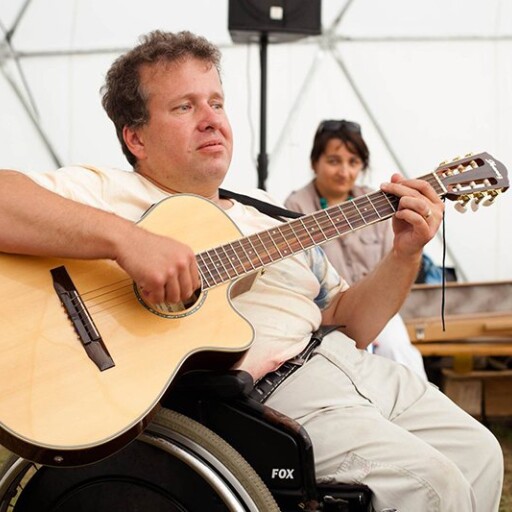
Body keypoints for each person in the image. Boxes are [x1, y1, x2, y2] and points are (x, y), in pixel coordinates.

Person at [0, 31, 503, 511]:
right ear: (136, 138)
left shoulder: (270, 215)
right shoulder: (109, 192)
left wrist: (405, 254)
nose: (210, 120)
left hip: (353, 367)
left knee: (481, 454)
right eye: (184, 107)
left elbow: (353, 323)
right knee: (434, 488)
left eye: (216, 103)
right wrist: (127, 240)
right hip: (268, 399)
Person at [285, 120, 428, 380]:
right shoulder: (296, 205)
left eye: (353, 162)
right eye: (334, 161)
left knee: (397, 350)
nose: (344, 171)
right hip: (324, 317)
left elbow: (394, 261)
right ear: (314, 163)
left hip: (376, 304)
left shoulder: (377, 200)